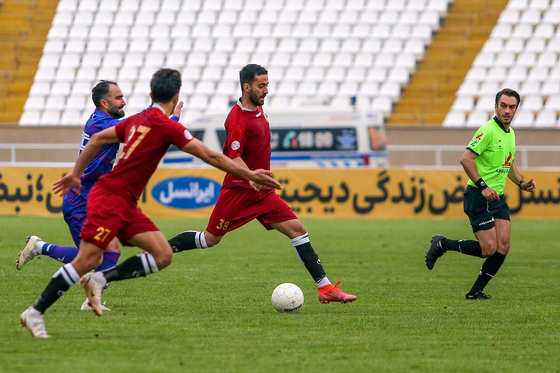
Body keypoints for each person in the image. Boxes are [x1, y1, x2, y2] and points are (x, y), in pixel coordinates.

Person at [19, 68, 281, 338]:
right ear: (176, 95)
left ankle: (100, 279)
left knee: (163, 255)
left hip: (126, 202)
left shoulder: (139, 119)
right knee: (88, 259)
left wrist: (75, 173)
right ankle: (34, 312)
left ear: (151, 93)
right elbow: (211, 157)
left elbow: (97, 139)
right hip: (109, 198)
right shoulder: (167, 126)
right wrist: (250, 174)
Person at [167, 64, 357, 305]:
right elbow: (234, 157)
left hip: (262, 192)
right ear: (247, 87)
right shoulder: (236, 119)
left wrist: (258, 179)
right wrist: (250, 176)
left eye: (267, 85)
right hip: (239, 191)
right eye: (261, 85)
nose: (266, 90)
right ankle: (161, 249)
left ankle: (325, 288)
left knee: (298, 230)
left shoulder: (259, 112)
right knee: (209, 239)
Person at [16, 80, 183, 312]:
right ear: (104, 103)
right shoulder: (101, 123)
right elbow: (139, 131)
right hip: (80, 200)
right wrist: (171, 119)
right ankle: (43, 266)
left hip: (94, 198)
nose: (123, 101)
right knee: (93, 257)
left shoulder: (103, 121)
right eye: (118, 98)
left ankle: (86, 294)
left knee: (106, 251)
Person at [425, 88, 537, 299]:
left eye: (512, 107)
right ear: (496, 106)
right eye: (503, 106)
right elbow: (466, 159)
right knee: (488, 249)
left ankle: (475, 292)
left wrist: (521, 182)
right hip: (478, 196)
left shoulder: (510, 133)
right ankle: (442, 244)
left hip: (498, 199)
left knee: (502, 248)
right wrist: (484, 186)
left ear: (516, 109)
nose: (507, 110)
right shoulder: (487, 131)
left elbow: (508, 163)